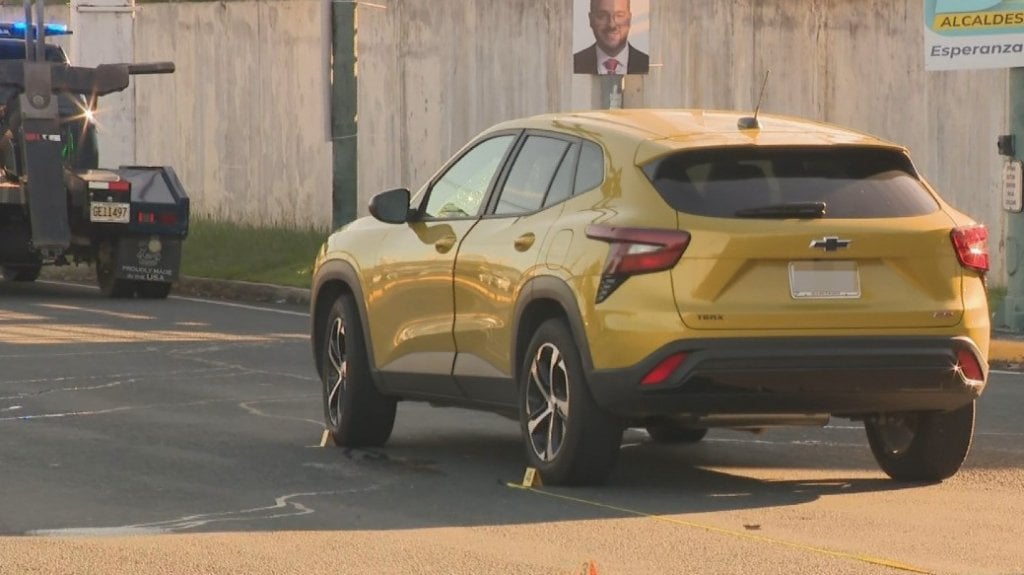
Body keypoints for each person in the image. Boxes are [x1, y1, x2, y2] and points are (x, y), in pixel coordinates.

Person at [573, 0, 649, 75]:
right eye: (602, 16)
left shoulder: (648, 64)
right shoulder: (573, 64)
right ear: (591, 19)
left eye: (619, 15)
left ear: (629, 19)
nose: (611, 25)